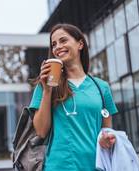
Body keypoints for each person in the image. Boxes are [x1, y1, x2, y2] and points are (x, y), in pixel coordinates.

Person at [29, 23, 118, 171]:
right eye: (54, 44)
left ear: (80, 44)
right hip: (58, 167)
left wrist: (106, 139)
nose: (57, 47)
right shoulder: (45, 85)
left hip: (95, 166)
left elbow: (107, 132)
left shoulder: (102, 88)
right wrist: (47, 91)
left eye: (63, 41)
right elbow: (41, 131)